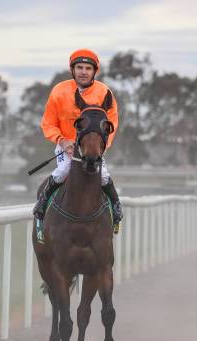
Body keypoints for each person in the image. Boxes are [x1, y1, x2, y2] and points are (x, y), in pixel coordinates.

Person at [32, 48, 123, 231]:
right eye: (79, 67)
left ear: (94, 71)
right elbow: (48, 123)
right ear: (72, 70)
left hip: (92, 148)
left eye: (88, 68)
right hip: (65, 146)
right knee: (65, 169)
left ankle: (116, 205)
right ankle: (42, 203)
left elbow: (111, 125)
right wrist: (62, 141)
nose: (83, 71)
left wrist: (101, 147)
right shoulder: (59, 91)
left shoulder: (104, 93)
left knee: (104, 176)